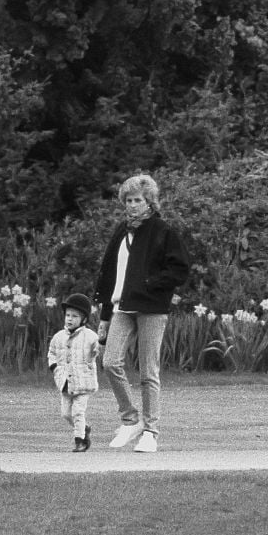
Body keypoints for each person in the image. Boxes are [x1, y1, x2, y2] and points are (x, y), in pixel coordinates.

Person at [93, 174, 190, 453]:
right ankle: (130, 419)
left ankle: (150, 431)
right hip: (122, 307)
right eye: (129, 200)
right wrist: (104, 316)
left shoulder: (163, 230)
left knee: (148, 372)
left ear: (149, 202)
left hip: (151, 308)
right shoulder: (121, 231)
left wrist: (150, 284)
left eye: (138, 200)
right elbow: (110, 275)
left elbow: (179, 269)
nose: (133, 205)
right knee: (110, 362)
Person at [46, 293, 101, 452]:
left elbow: (98, 349)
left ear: (84, 319)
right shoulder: (58, 337)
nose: (70, 319)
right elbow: (51, 353)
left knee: (78, 412)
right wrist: (54, 367)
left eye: (75, 316)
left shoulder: (90, 336)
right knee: (66, 414)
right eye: (68, 315)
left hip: (83, 382)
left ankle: (80, 441)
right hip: (65, 382)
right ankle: (85, 429)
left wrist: (99, 348)